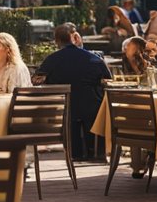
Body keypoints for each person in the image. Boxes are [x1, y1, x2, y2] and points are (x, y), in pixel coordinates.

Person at [35, 23, 112, 161]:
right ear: (74, 37)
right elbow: (108, 79)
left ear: (57, 41)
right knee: (93, 106)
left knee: (71, 116)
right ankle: (97, 154)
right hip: (91, 106)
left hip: (65, 107)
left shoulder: (52, 60)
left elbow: (36, 79)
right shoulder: (92, 58)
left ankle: (75, 154)